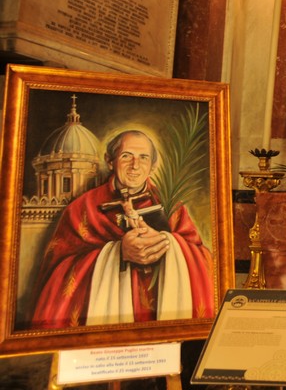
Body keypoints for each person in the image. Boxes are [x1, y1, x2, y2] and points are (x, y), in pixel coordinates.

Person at [30, 130, 213, 329]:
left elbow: (201, 258)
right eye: (126, 156)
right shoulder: (82, 209)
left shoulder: (171, 206)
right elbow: (58, 270)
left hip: (157, 316)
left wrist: (167, 242)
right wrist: (117, 252)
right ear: (110, 161)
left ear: (152, 166)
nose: (135, 165)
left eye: (143, 158)